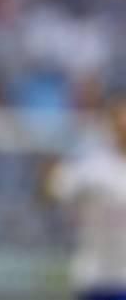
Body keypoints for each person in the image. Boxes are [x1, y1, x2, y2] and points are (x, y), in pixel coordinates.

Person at [42, 91, 126, 300]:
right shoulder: (93, 166)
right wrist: (48, 172)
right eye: (119, 118)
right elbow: (52, 191)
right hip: (97, 278)